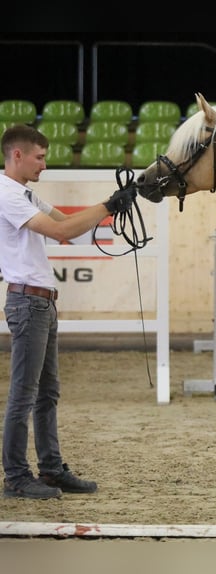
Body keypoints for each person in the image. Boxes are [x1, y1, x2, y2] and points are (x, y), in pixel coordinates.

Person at [1, 124, 136, 499]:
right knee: (25, 394)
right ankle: (15, 476)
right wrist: (110, 205)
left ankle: (49, 469)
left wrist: (112, 204)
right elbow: (60, 231)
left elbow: (67, 227)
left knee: (46, 392)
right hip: (29, 301)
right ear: (18, 155)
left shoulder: (25, 194)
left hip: (41, 301)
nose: (44, 165)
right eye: (39, 157)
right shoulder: (8, 195)